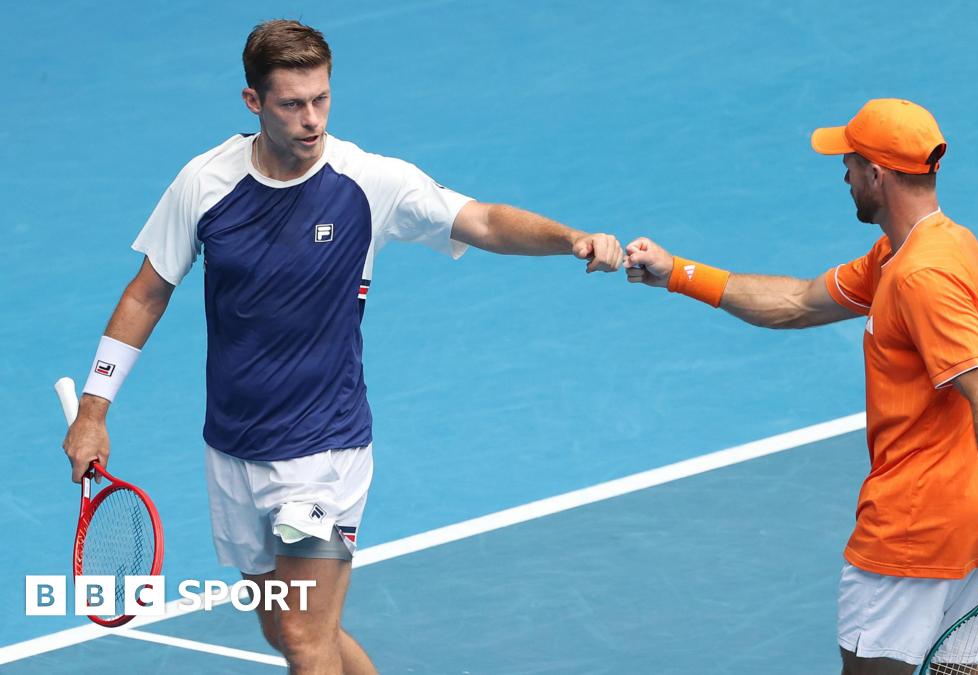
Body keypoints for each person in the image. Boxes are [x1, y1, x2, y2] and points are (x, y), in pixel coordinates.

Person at [61, 19, 624, 674]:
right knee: (289, 629)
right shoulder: (205, 183)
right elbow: (146, 293)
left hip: (324, 453)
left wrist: (571, 238)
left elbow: (484, 219)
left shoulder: (366, 181)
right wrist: (94, 410)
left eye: (321, 99)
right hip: (234, 449)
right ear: (253, 102)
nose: (311, 119)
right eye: (292, 104)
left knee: (304, 639)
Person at [624, 99, 978, 674]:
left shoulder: (921, 276)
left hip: (912, 535)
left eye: (849, 162)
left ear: (877, 173)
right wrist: (677, 272)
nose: (842, 174)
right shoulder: (923, 248)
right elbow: (797, 303)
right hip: (969, 528)